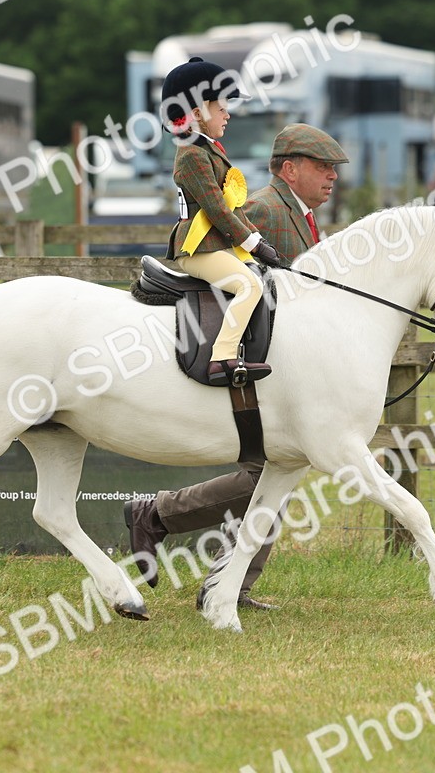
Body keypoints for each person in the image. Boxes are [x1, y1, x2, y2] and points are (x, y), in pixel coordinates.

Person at [126, 123, 350, 610]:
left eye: (335, 169)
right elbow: (230, 257)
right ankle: (157, 516)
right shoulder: (266, 210)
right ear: (289, 169)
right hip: (259, 365)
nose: (333, 176)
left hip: (289, 365)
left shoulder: (306, 216)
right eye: (322, 167)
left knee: (276, 476)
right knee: (264, 476)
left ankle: (229, 586)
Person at [163, 57, 281, 386]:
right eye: (222, 107)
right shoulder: (191, 155)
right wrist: (253, 243)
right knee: (248, 285)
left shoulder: (209, 150)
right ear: (198, 110)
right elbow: (217, 210)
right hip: (197, 250)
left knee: (260, 276)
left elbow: (234, 204)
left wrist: (259, 242)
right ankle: (222, 358)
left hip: (214, 244)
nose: (228, 113)